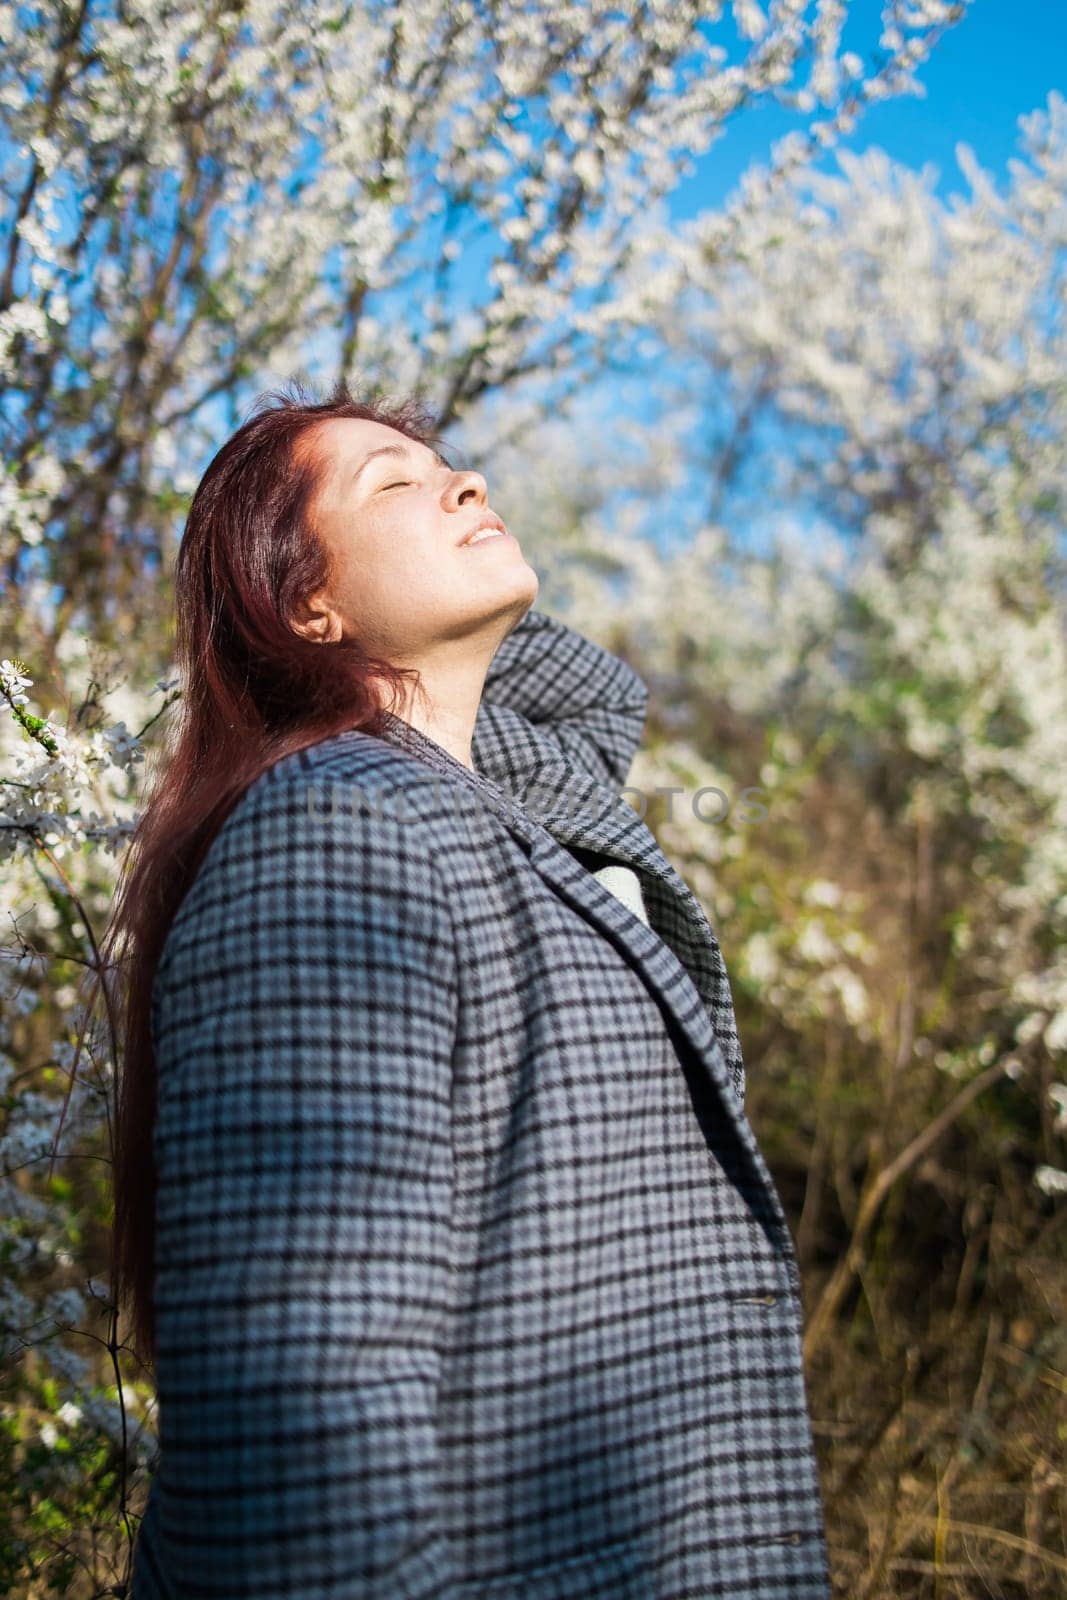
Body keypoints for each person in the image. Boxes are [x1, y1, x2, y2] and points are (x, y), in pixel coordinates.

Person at [105, 379, 832, 1598]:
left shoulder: (509, 822)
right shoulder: (332, 827)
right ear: (307, 601)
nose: (465, 481)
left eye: (449, 464)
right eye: (392, 482)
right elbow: (303, 1421)